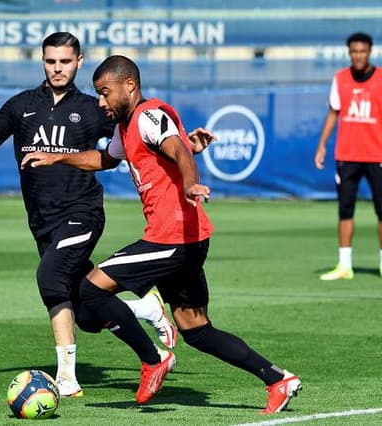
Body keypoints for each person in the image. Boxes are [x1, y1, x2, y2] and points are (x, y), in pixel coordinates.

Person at [21, 55, 301, 413]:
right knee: (196, 329)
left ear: (130, 86)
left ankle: (153, 358)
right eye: (98, 95)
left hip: (172, 238)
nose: (101, 102)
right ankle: (278, 379)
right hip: (187, 239)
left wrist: (191, 185)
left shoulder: (149, 115)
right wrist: (57, 158)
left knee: (91, 288)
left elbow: (179, 150)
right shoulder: (127, 128)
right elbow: (105, 159)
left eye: (106, 93)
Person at [0, 32, 177, 397]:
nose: (57, 68)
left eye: (65, 61)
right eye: (50, 61)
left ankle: (68, 378)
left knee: (50, 277)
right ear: (42, 61)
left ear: (79, 62)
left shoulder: (93, 107)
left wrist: (182, 145)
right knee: (87, 313)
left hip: (82, 213)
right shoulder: (19, 105)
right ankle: (146, 308)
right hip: (42, 221)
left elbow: (139, 129)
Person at [314, 32, 382, 281]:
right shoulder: (340, 78)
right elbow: (333, 113)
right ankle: (345, 265)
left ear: (370, 52)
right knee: (345, 210)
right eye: (354, 51)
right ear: (349, 53)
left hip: (377, 155)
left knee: (381, 211)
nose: (358, 55)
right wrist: (321, 145)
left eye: (363, 51)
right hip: (347, 155)